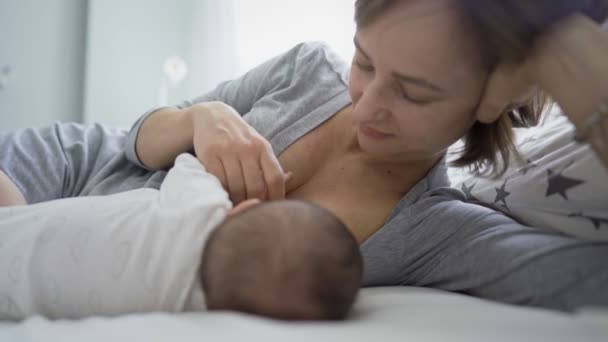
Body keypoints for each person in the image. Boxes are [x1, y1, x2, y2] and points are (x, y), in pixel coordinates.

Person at [0, 0, 607, 310]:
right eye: (364, 62)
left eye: (413, 91)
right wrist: (198, 118)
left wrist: (572, 66)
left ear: (490, 96)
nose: (369, 104)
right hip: (50, 169)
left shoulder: (439, 234)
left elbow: (588, 283)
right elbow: (129, 140)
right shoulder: (307, 69)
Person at [0, 154, 362, 321]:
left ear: (242, 208)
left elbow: (189, 162)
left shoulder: (199, 209)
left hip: (19, 222)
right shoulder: (184, 307)